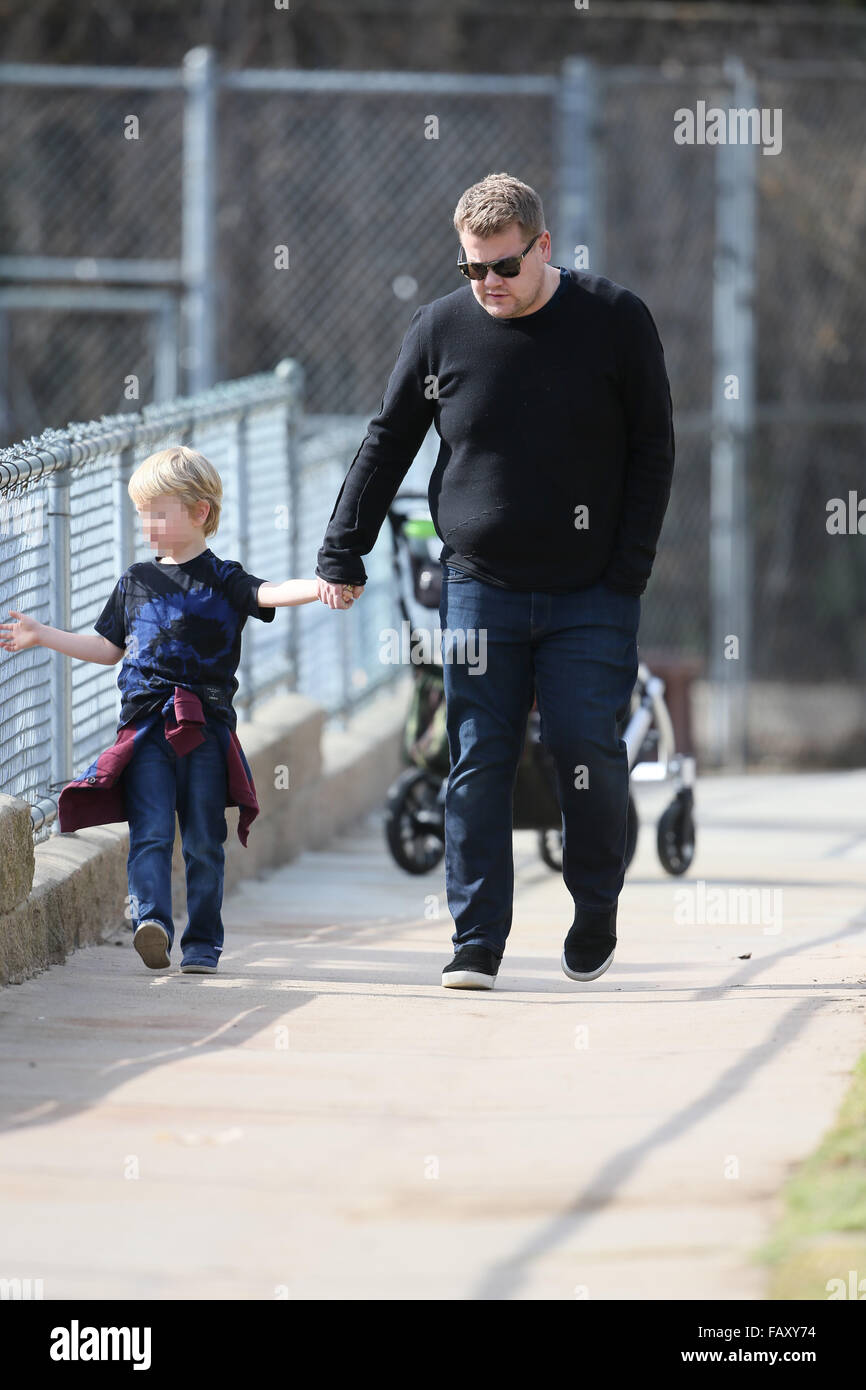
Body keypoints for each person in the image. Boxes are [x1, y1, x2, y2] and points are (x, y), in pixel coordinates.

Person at [315, 171, 675, 991]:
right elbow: (388, 440)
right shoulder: (441, 330)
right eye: (472, 269)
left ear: (543, 247)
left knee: (585, 745)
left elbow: (655, 448)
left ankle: (595, 902)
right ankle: (476, 940)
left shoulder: (614, 321)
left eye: (505, 267)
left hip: (592, 592)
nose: (489, 285)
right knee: (477, 754)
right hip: (480, 585)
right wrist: (345, 547)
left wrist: (629, 568)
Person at [0, 446, 354, 974]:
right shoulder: (135, 582)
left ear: (200, 513)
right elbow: (106, 649)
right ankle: (154, 922)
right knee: (150, 833)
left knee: (204, 842)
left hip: (206, 732)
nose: (147, 524)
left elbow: (271, 592)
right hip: (145, 731)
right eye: (142, 512)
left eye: (158, 513)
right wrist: (40, 635)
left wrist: (323, 589)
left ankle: (203, 943)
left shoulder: (224, 578)